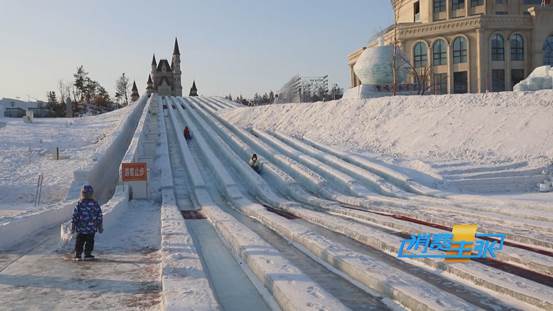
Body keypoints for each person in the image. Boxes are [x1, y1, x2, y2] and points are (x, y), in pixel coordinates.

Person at [71, 184, 103, 261]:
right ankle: (87, 254)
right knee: (90, 241)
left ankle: (78, 254)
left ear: (82, 194)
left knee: (79, 241)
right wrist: (100, 226)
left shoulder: (79, 204)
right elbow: (99, 215)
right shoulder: (95, 204)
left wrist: (73, 226)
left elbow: (75, 216)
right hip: (91, 229)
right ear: (92, 194)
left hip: (81, 228)